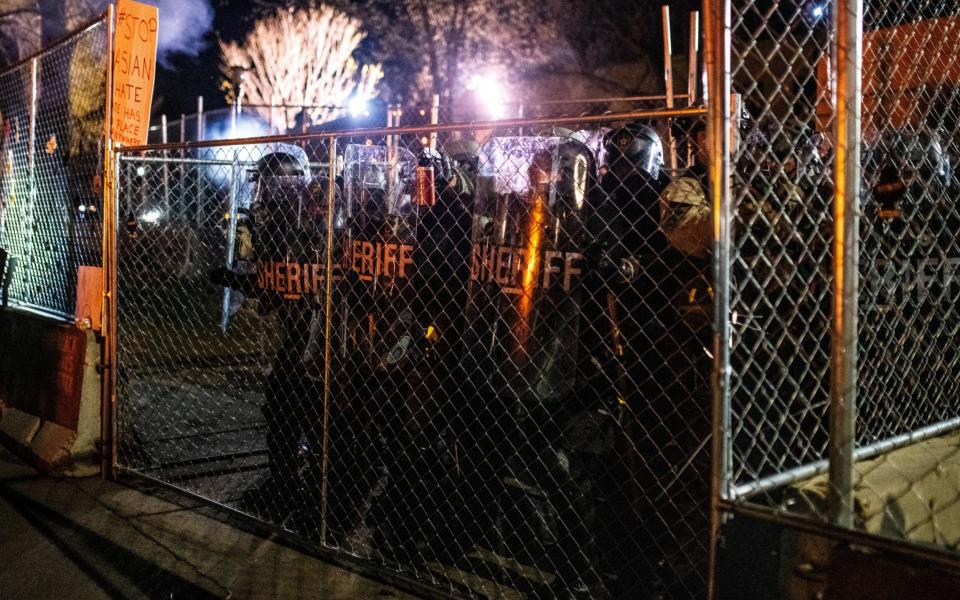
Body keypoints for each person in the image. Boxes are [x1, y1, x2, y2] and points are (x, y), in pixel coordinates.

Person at [210, 143, 335, 531]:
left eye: (266, 185)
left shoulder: (307, 224)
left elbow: (286, 287)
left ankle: (308, 493)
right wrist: (238, 279)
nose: (260, 193)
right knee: (281, 410)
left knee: (301, 411)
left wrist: (238, 280)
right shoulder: (278, 224)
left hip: (314, 338)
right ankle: (285, 486)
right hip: (297, 336)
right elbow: (271, 289)